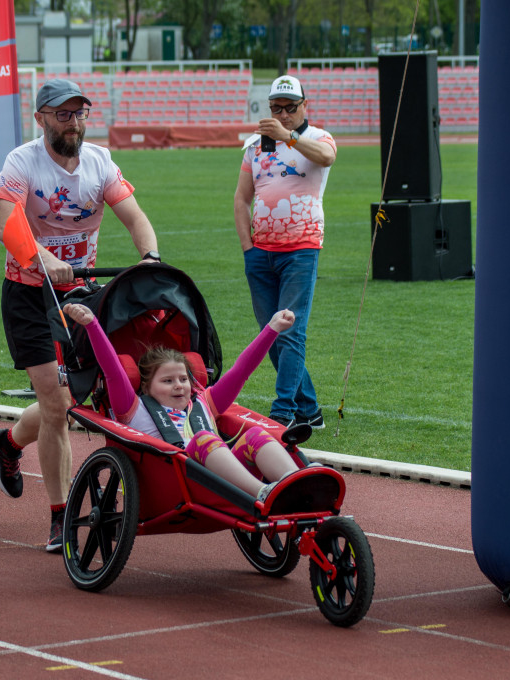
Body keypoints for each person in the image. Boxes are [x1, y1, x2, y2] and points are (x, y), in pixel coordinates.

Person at [0, 79, 160, 552]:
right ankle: (62, 517)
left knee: (79, 397)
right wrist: (41, 257)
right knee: (58, 406)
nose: (74, 122)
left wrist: (150, 258)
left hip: (80, 292)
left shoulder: (100, 161)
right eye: (63, 114)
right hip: (29, 294)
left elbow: (135, 216)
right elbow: (7, 222)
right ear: (41, 118)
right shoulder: (22, 162)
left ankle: (7, 443)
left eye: (80, 113)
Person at [63, 303, 306, 502]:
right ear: (147, 386)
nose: (179, 385)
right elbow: (113, 371)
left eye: (183, 379)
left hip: (224, 481)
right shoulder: (133, 408)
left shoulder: (204, 402)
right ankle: (264, 493)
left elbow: (241, 371)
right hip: (174, 485)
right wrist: (92, 325)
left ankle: (297, 485)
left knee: (255, 435)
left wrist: (272, 328)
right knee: (204, 439)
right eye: (167, 381)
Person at [233, 75, 336, 430]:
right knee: (271, 334)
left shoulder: (317, 138)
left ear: (304, 106)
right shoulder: (255, 146)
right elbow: (242, 198)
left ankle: (283, 413)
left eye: (290, 108)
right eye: (276, 108)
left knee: (291, 330)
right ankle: (310, 410)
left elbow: (327, 158)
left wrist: (288, 136)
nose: (283, 113)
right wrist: (248, 247)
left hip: (300, 249)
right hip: (260, 251)